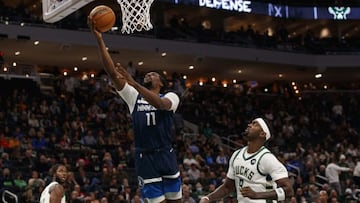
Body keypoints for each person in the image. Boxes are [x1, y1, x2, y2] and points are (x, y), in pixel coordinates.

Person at [88, 16, 182, 203]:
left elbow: (160, 105)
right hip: (145, 157)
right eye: (147, 73)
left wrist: (135, 84)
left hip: (165, 154)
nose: (149, 74)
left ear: (161, 83)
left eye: (153, 74)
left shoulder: (171, 97)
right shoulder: (134, 96)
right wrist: (99, 39)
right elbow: (112, 73)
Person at [199, 118, 294, 203]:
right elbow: (228, 187)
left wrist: (257, 195)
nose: (249, 125)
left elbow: (289, 191)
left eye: (255, 124)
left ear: (262, 134)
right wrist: (208, 198)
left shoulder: (267, 158)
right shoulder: (237, 155)